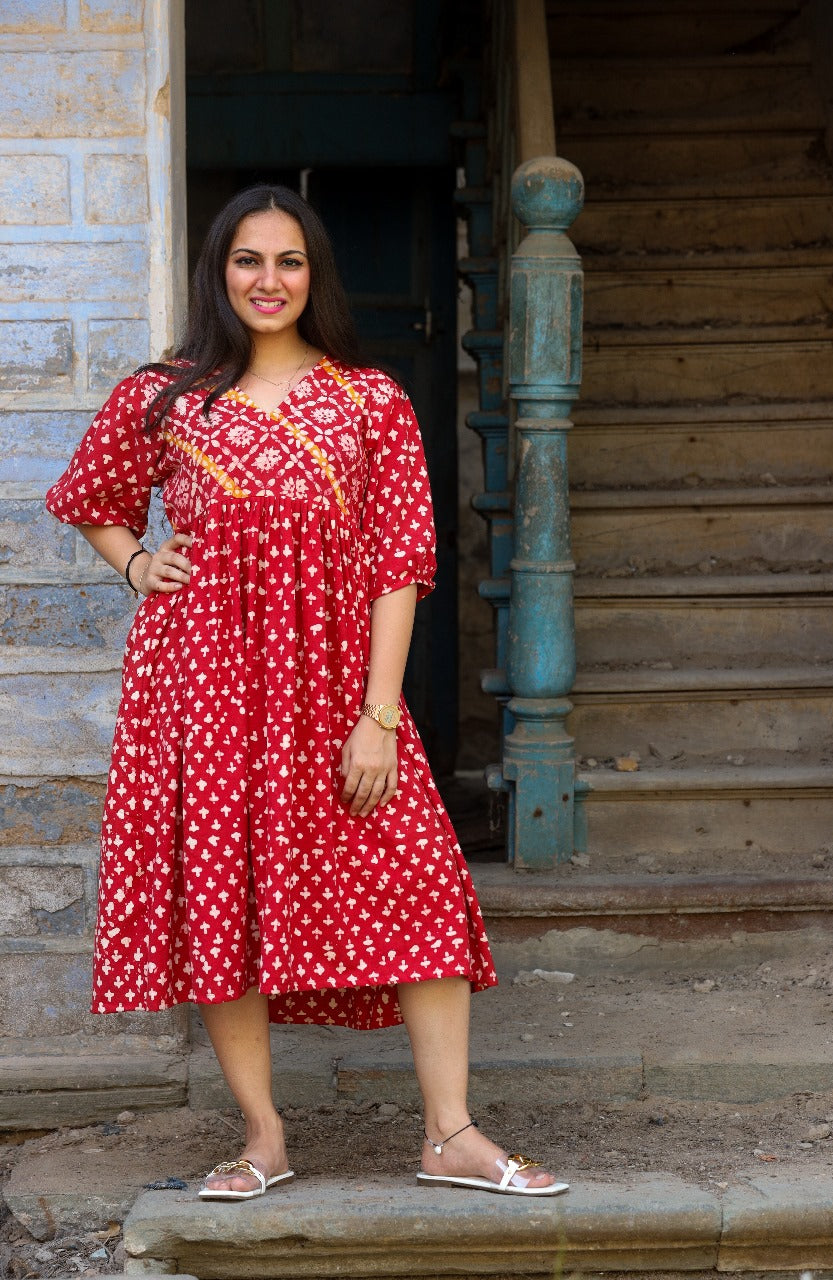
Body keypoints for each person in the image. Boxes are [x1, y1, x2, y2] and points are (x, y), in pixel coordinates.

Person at [45, 184, 567, 1200]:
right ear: (218, 271)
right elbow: (90, 496)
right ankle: (262, 1136)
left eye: (289, 261)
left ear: (314, 275)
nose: (268, 279)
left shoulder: (368, 400)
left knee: (418, 877)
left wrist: (380, 715)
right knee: (225, 895)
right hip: (201, 687)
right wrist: (137, 563)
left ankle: (449, 1133)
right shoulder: (164, 396)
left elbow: (399, 565)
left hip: (336, 687)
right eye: (247, 259)